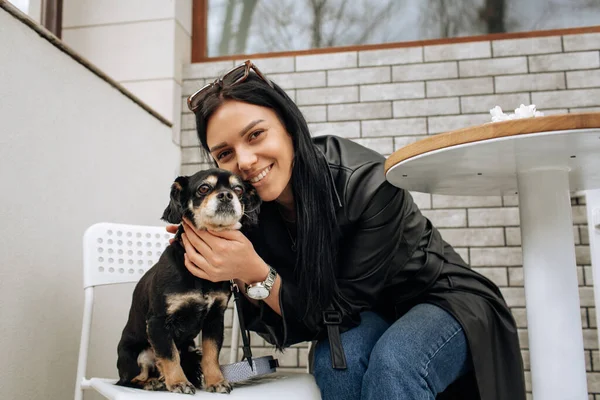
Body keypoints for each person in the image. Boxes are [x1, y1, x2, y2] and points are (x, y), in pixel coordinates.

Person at [169, 60, 526, 400]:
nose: (245, 161)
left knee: (396, 363)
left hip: (443, 298)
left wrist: (253, 272)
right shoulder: (246, 207)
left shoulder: (369, 183)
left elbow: (334, 308)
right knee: (338, 364)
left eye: (256, 135)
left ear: (290, 126)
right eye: (225, 153)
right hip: (365, 314)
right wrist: (207, 249)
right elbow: (294, 321)